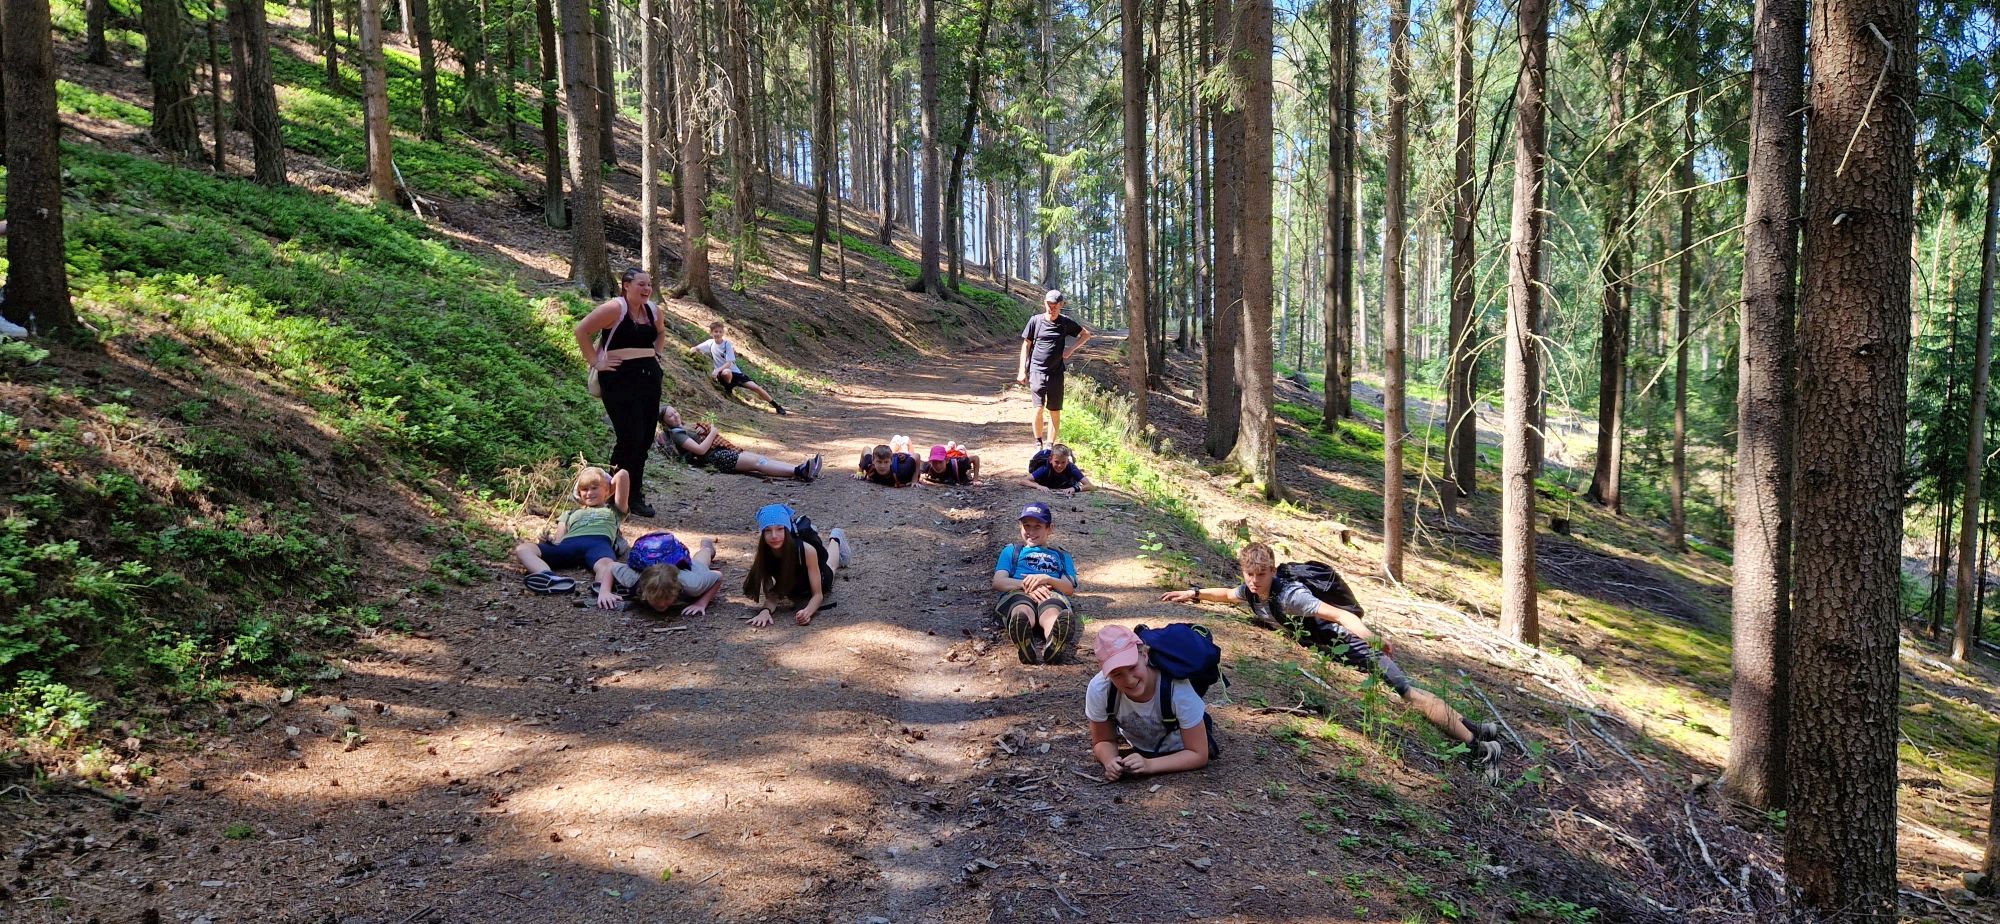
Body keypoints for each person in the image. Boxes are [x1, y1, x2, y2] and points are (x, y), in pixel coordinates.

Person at [1159, 542, 1504, 778]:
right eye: (1249, 574)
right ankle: (1476, 728)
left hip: (1353, 644)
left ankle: (1481, 748)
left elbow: (1338, 615)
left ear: (1273, 571)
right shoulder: (1251, 591)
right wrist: (1195, 594)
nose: (1253, 581)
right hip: (1335, 648)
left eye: (1261, 575)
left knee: (1408, 693)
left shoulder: (1292, 596)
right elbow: (1229, 595)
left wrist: (1371, 638)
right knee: (1409, 693)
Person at [575, 268, 667, 518]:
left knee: (645, 438)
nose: (646, 289)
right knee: (629, 437)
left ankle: (634, 495)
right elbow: (581, 331)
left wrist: (656, 354)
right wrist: (596, 362)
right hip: (619, 381)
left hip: (649, 380)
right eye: (641, 284)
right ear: (626, 285)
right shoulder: (614, 309)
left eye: (649, 284)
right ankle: (614, 495)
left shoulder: (653, 310)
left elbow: (660, 332)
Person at [1085, 624, 1213, 780]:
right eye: (1117, 674)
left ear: (1145, 655)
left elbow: (1198, 754)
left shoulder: (1177, 689)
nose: (1129, 680)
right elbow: (1103, 740)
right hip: (1139, 746)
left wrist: (1150, 765)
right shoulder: (1100, 689)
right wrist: (1110, 761)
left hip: (1181, 749)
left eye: (1132, 667)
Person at [514, 466, 630, 610]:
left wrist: (607, 488)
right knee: (523, 548)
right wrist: (546, 541)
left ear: (607, 489)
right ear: (579, 494)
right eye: (585, 489)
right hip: (568, 544)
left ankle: (601, 587)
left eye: (595, 488)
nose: (589, 493)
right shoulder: (569, 513)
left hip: (599, 544)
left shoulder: (614, 510)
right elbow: (559, 540)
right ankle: (548, 577)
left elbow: (623, 474)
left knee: (607, 564)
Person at [992, 501, 1080, 664]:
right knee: (1021, 608)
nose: (1031, 532)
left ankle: (1055, 640)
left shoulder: (1062, 556)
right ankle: (1023, 637)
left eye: (1037, 526)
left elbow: (1068, 588)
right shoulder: (1012, 550)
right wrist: (1026, 585)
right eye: (1026, 526)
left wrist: (1046, 579)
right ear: (1021, 527)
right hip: (1017, 591)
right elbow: (998, 582)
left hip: (1050, 592)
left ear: (1050, 528)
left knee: (1052, 611)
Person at [744, 503, 852, 628]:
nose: (774, 536)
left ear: (787, 529)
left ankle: (836, 538)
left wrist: (808, 612)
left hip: (819, 578)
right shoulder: (765, 555)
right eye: (768, 530)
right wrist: (765, 611)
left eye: (780, 529)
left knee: (832, 566)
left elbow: (818, 595)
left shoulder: (806, 550)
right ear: (762, 534)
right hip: (794, 587)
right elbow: (772, 598)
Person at [656, 406, 822, 481]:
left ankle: (799, 469)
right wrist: (713, 433)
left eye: (675, 412)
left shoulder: (682, 429)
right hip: (716, 457)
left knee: (761, 460)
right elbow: (699, 450)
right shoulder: (677, 435)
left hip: (719, 453)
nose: (676, 416)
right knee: (759, 463)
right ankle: (799, 471)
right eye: (671, 416)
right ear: (665, 422)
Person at [1016, 289, 1092, 450]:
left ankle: (1050, 444)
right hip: (1037, 370)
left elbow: (1086, 335)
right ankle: (1038, 442)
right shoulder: (1035, 321)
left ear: (1061, 305)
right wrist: (1022, 370)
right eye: (1049, 304)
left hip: (1056, 373)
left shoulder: (1065, 322)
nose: (1051, 308)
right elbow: (1026, 345)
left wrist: (1070, 350)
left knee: (1055, 410)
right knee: (1038, 408)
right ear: (1044, 303)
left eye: (1055, 305)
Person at [607, 532, 725, 616]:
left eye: (667, 599)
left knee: (700, 564)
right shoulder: (632, 578)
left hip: (682, 568)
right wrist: (604, 592)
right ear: (644, 591)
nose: (662, 604)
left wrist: (701, 603)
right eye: (656, 600)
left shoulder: (692, 584)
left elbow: (717, 576)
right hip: (654, 563)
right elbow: (610, 566)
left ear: (677, 590)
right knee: (698, 563)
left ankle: (707, 547)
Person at [691, 320, 787, 415]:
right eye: (716, 331)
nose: (718, 334)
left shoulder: (726, 344)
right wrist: (693, 350)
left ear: (723, 333)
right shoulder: (710, 343)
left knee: (755, 387)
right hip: (723, 374)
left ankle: (776, 406)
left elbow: (729, 363)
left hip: (734, 372)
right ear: (711, 333)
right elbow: (697, 348)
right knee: (726, 372)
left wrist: (717, 370)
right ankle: (728, 387)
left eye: (720, 331)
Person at [1022, 444, 1093, 493]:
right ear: (1050, 460)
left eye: (1063, 462)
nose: (1059, 465)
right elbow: (1023, 480)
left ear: (1068, 461)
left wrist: (1074, 489)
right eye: (1056, 462)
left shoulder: (1071, 468)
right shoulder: (1045, 468)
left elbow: (1090, 486)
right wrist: (1038, 486)